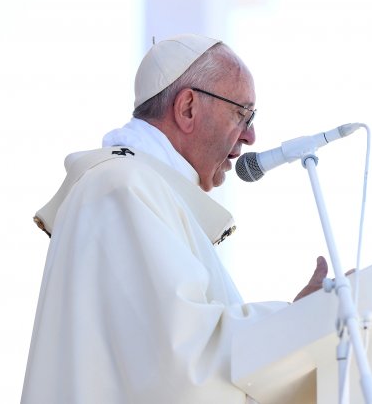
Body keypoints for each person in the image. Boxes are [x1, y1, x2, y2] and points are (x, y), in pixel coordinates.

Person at [21, 34, 328, 403]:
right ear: (187, 108)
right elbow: (182, 363)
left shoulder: (140, 189)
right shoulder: (123, 188)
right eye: (242, 114)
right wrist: (298, 323)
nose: (250, 136)